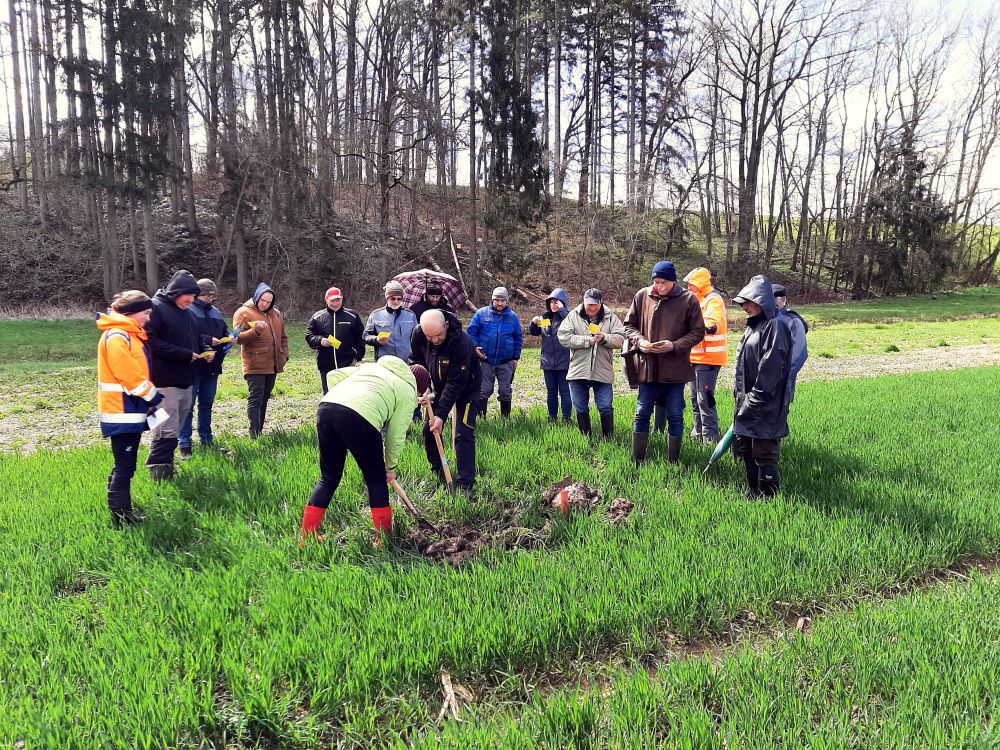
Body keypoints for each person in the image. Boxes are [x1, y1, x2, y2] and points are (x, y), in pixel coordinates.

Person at [299, 357, 430, 547]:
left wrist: (344, 398)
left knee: (328, 478)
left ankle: (307, 536)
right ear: (418, 387)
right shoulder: (407, 391)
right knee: (376, 479)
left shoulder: (373, 368)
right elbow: (396, 435)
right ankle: (383, 540)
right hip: (360, 418)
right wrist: (390, 467)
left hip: (327, 408)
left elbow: (333, 375)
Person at [623, 260, 705, 464]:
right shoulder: (642, 295)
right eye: (655, 281)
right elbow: (629, 325)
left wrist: (674, 345)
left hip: (675, 370)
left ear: (673, 282)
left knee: (675, 414)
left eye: (662, 282)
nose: (657, 286)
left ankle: (673, 462)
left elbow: (698, 332)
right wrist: (639, 341)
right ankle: (638, 459)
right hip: (648, 367)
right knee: (641, 412)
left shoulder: (688, 300)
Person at [96, 290, 164, 526]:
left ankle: (120, 510)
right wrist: (153, 396)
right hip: (120, 410)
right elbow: (129, 375)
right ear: (132, 312)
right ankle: (121, 516)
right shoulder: (117, 336)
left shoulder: (128, 334)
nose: (148, 318)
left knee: (123, 464)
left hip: (128, 408)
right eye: (145, 313)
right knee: (125, 466)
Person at [731, 276, 793, 499]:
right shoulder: (753, 327)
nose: (744, 307)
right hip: (747, 403)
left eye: (748, 302)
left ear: (762, 301)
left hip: (765, 405)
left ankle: (768, 499)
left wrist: (753, 402)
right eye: (742, 303)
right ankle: (752, 493)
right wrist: (740, 401)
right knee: (746, 449)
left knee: (764, 452)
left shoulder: (776, 327)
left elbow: (771, 371)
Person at [410, 309, 483, 495]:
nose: (434, 340)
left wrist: (442, 415)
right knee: (429, 429)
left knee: (462, 433)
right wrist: (422, 387)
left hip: (466, 387)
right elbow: (417, 362)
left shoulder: (462, 342)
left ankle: (465, 482)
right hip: (436, 387)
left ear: (446, 326)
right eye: (429, 336)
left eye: (438, 335)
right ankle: (439, 471)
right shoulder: (418, 334)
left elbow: (456, 382)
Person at [144, 269, 204, 479]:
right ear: (176, 291)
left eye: (194, 296)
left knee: (175, 429)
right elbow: (150, 342)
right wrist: (185, 354)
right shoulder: (156, 308)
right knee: (163, 429)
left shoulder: (188, 313)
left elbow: (194, 338)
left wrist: (205, 348)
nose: (191, 300)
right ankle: (158, 476)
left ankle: (168, 468)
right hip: (163, 382)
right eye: (189, 295)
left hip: (185, 381)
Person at [557, 288, 626, 437]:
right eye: (589, 304)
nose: (592, 308)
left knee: (605, 406)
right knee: (580, 408)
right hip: (578, 370)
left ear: (600, 304)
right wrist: (586, 341)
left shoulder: (610, 317)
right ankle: (585, 438)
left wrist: (605, 338)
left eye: (595, 305)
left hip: (602, 370)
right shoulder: (573, 316)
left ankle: (609, 438)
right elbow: (563, 336)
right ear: (584, 302)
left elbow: (621, 338)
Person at [179, 278, 229, 457]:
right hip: (193, 367)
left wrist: (229, 338)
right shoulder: (188, 311)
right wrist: (208, 342)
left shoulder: (216, 312)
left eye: (212, 294)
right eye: (206, 294)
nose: (209, 298)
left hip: (213, 367)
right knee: (188, 405)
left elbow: (224, 331)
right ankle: (185, 444)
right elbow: (189, 336)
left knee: (206, 405)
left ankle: (206, 439)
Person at [233, 282, 289, 438]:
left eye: (269, 302)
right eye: (263, 300)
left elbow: (283, 337)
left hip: (273, 364)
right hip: (255, 364)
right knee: (255, 399)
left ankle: (260, 431)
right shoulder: (243, 312)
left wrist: (284, 356)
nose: (265, 304)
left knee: (265, 398)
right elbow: (237, 338)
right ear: (257, 297)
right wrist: (255, 331)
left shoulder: (276, 313)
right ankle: (254, 435)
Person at [682, 267, 728, 444]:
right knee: (695, 398)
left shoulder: (713, 299)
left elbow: (712, 325)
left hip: (708, 360)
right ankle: (698, 432)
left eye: (691, 284)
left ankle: (710, 439)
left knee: (705, 400)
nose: (688, 288)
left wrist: (692, 327)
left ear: (699, 284)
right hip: (695, 359)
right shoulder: (697, 300)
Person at [467, 286, 522, 417]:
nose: (500, 303)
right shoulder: (481, 314)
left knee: (505, 391)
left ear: (507, 302)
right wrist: (475, 347)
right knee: (484, 390)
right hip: (485, 360)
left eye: (503, 300)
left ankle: (505, 418)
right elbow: (471, 332)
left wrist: (515, 357)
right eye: (497, 300)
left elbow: (518, 337)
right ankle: (481, 418)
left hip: (506, 362)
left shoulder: (513, 317)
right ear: (492, 300)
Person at [306, 286, 366, 394]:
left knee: (347, 395)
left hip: (347, 364)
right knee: (329, 396)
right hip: (326, 365)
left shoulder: (352, 316)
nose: (335, 303)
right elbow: (309, 336)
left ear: (342, 299)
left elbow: (360, 338)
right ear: (326, 299)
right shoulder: (317, 317)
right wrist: (320, 340)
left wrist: (357, 357)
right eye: (332, 300)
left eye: (338, 300)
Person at [528, 288, 572, 422]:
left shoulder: (568, 316)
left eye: (557, 302)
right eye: (551, 302)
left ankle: (566, 418)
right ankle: (552, 417)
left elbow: (572, 324)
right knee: (551, 392)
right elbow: (535, 332)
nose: (554, 305)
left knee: (565, 392)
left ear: (563, 303)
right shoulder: (545, 317)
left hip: (564, 361)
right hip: (548, 362)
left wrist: (563, 310)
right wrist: (534, 323)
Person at [364, 280, 419, 362]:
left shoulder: (410, 315)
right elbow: (366, 336)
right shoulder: (375, 315)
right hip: (384, 362)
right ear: (387, 298)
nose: (396, 301)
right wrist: (376, 340)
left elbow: (418, 338)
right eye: (393, 298)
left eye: (399, 299)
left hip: (407, 362)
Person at [772, 284, 809, 402]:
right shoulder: (765, 319)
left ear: (783, 300)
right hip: (760, 386)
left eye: (773, 300)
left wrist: (780, 377)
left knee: (778, 418)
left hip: (782, 384)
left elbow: (799, 355)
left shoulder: (793, 321)